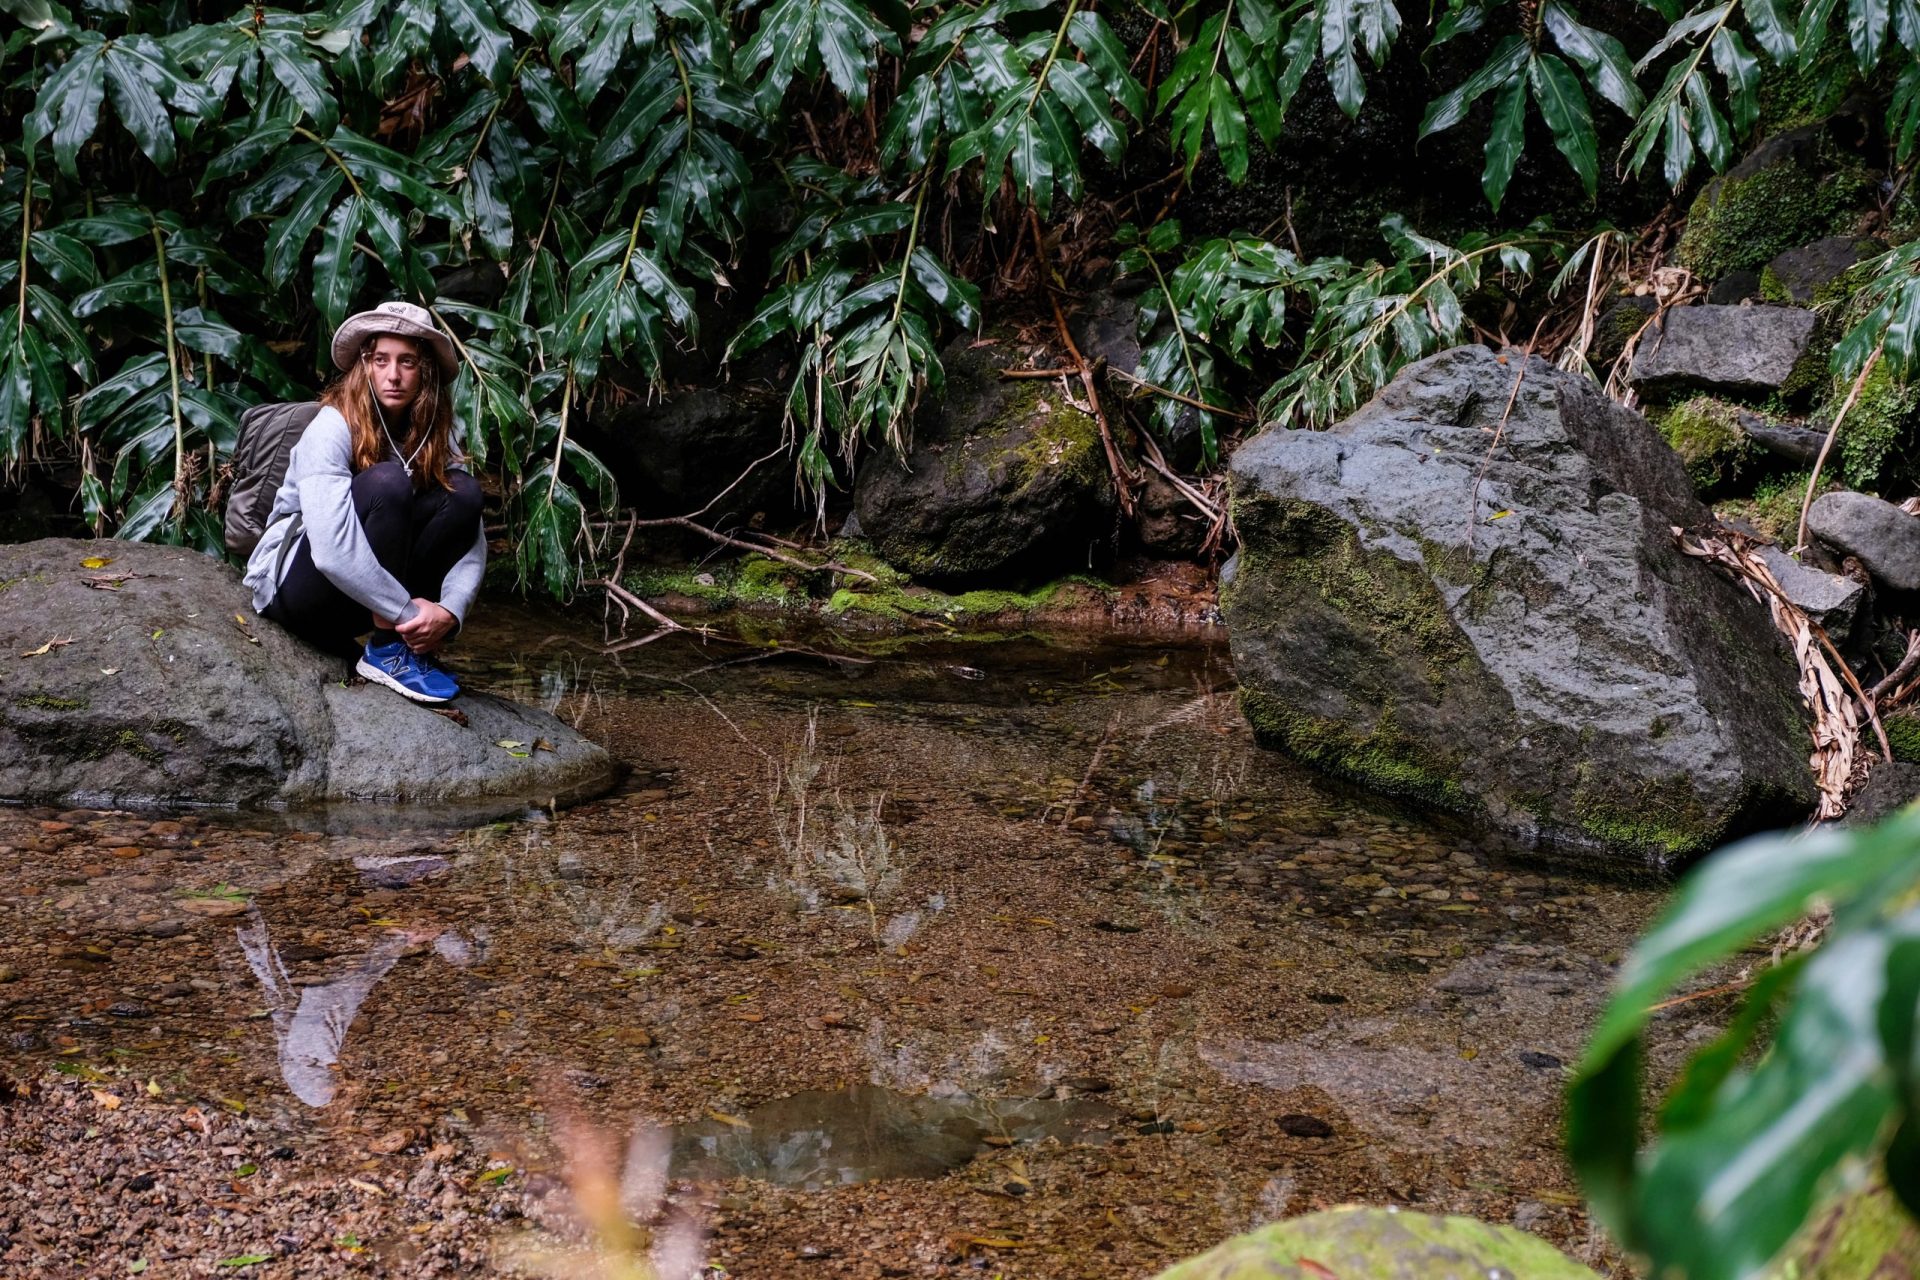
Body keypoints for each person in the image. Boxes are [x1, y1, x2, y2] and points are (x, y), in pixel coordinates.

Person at [243, 301, 485, 704]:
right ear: (365, 365)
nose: (393, 375)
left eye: (407, 362)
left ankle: (400, 645)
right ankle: (388, 648)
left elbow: (472, 537)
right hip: (298, 591)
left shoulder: (433, 432)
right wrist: (408, 615)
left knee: (464, 492)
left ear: (424, 371)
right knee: (387, 484)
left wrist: (448, 614)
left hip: (366, 602)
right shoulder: (332, 426)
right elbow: (331, 552)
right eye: (381, 360)